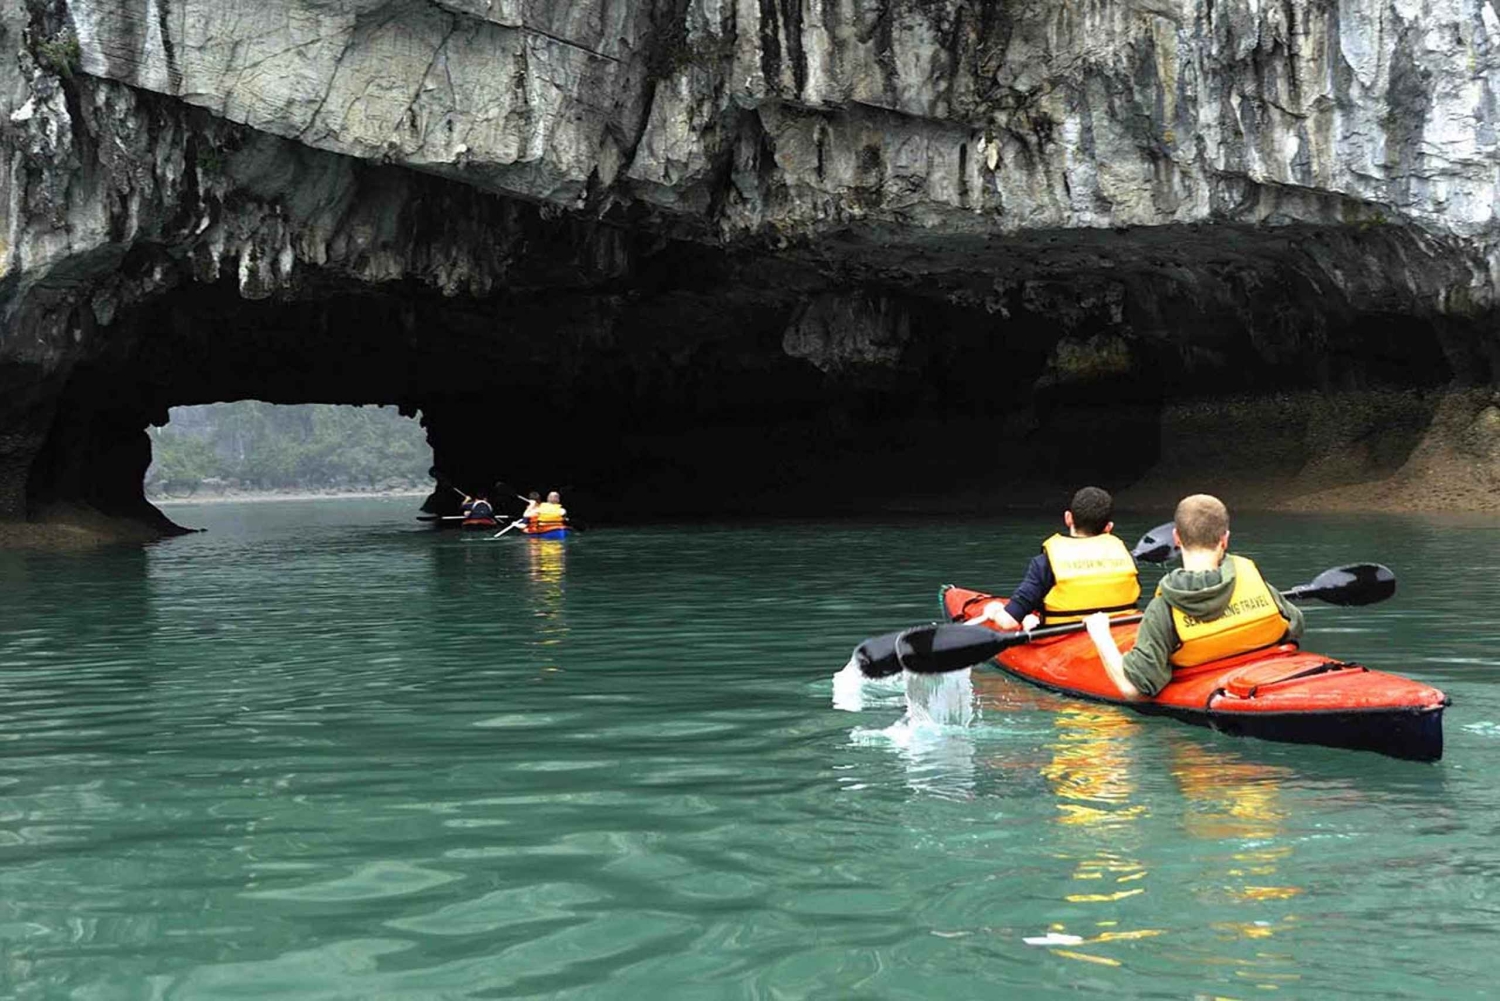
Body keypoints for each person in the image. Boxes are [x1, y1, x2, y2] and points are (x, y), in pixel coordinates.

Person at [1084, 493, 1304, 700]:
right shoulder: (1254, 581)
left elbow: (1134, 690)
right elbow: (1295, 625)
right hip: (1265, 678)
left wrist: (1101, 635)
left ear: (1176, 538)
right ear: (1225, 539)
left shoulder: (1163, 608)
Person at [971, 486, 1140, 630]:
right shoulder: (1127, 559)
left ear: (1068, 518)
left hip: (1062, 638)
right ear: (1109, 527)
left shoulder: (1045, 563)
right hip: (1122, 632)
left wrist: (995, 611)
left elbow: (1008, 622)